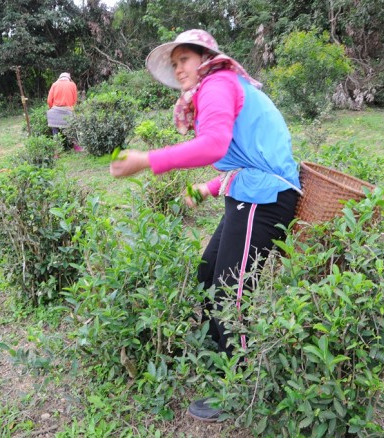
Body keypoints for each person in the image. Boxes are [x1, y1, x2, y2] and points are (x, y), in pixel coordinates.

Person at [109, 29, 302, 422]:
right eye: (175, 62)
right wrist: (209, 188)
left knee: (232, 291)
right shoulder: (222, 86)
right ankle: (216, 356)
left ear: (205, 58)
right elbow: (244, 154)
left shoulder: (218, 83)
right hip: (248, 191)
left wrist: (147, 159)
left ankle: (238, 384)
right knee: (208, 272)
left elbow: (215, 145)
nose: (179, 68)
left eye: (185, 59)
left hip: (264, 200)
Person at [47, 72, 82, 151]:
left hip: (54, 111)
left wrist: (53, 108)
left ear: (59, 78)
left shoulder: (54, 85)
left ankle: (57, 151)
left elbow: (49, 101)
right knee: (73, 129)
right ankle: (76, 147)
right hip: (68, 111)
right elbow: (74, 101)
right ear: (68, 78)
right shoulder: (72, 85)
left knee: (55, 132)